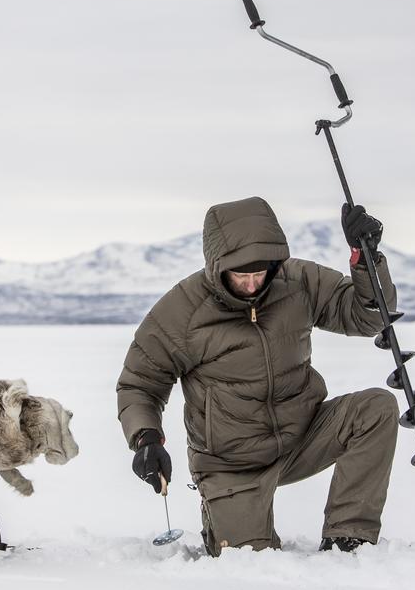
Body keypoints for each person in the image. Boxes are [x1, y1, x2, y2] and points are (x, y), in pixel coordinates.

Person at [116, 196, 400, 556]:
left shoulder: (298, 281)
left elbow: (369, 317)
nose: (252, 284)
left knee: (376, 408)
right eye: (240, 275)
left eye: (259, 273)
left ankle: (349, 536)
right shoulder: (182, 311)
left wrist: (366, 261)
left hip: (302, 434)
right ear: (217, 266)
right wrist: (146, 437)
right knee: (250, 560)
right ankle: (223, 514)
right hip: (230, 463)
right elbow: (140, 382)